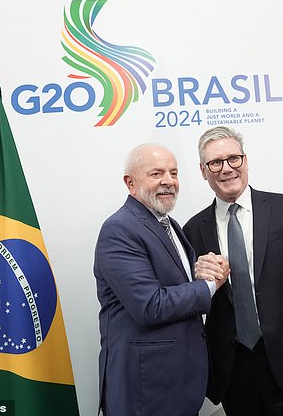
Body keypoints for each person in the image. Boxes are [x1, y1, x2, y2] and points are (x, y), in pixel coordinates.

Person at [183, 126, 283, 416]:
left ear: (246, 161)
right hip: (234, 373)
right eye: (215, 162)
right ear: (203, 171)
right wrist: (196, 277)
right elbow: (190, 300)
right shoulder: (193, 229)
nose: (226, 168)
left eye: (233, 158)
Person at [93, 143, 229, 416]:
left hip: (175, 383)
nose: (168, 181)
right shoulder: (119, 229)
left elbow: (169, 277)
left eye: (174, 173)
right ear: (130, 183)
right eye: (156, 174)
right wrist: (210, 284)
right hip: (147, 390)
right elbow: (150, 305)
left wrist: (201, 268)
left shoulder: (167, 223)